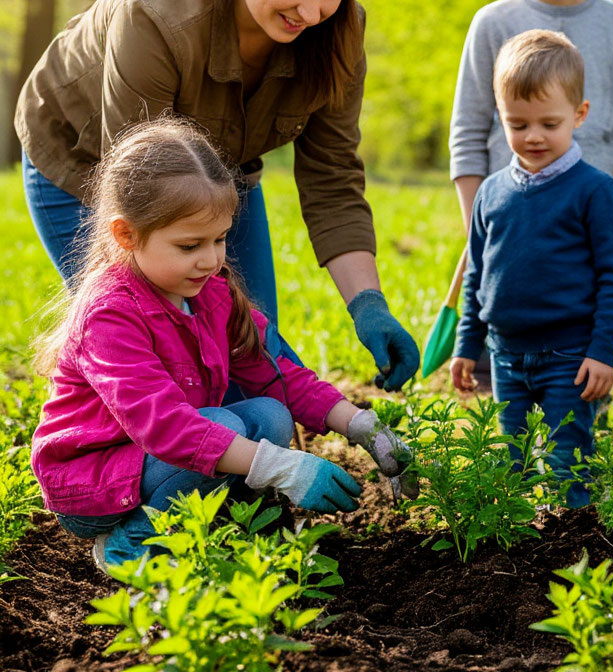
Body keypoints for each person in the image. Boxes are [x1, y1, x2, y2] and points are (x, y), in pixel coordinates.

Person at [16, 0, 418, 391]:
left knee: (248, 363)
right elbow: (147, 193)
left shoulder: (341, 31)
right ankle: (116, 462)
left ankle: (263, 461)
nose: (312, 11)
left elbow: (332, 179)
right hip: (91, 167)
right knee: (170, 350)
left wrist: (368, 304)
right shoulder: (155, 16)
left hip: (220, 171)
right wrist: (256, 344)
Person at [31, 119, 417, 572]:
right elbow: (167, 428)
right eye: (190, 244)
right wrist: (281, 468)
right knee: (221, 423)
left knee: (267, 415)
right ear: (126, 235)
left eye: (219, 239)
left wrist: (360, 426)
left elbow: (277, 375)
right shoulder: (109, 312)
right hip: (94, 482)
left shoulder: (210, 292)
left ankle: (215, 530)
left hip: (156, 463)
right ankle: (128, 544)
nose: (212, 258)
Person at [450, 30, 613, 507]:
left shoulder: (595, 191)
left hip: (570, 358)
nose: (533, 136)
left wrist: (603, 351)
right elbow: (477, 275)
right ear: (500, 117)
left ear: (579, 115)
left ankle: (577, 539)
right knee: (507, 456)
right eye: (518, 123)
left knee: (567, 458)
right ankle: (509, 541)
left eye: (549, 123)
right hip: (505, 356)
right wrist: (467, 346)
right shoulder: (491, 193)